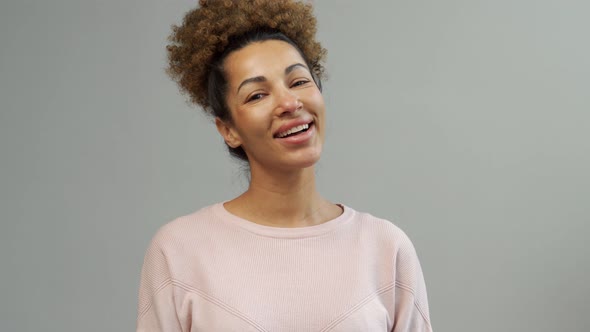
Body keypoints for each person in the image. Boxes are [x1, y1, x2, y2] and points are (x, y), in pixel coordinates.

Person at [136, 0, 433, 331]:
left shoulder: (385, 248)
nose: (290, 103)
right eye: (257, 95)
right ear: (229, 130)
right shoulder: (179, 251)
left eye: (299, 82)